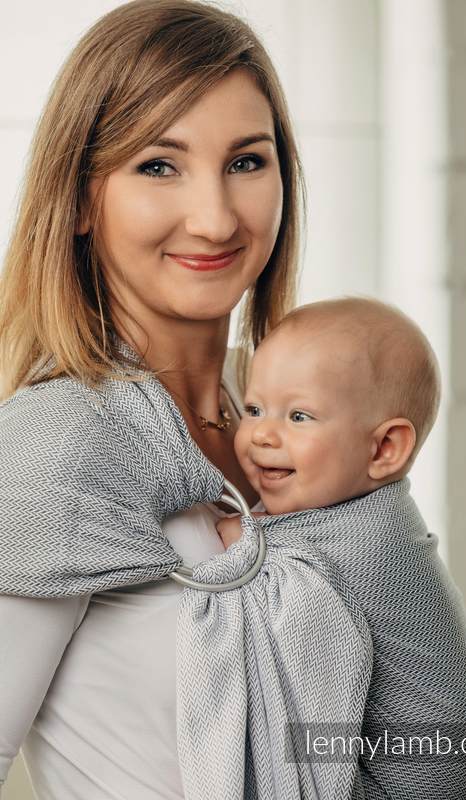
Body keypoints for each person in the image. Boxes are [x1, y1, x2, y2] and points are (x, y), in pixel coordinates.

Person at [0, 1, 305, 797]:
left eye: (246, 161)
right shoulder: (61, 443)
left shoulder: (275, 420)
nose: (213, 219)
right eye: (157, 165)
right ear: (77, 200)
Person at [216, 296, 466, 798]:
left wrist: (238, 533)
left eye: (299, 416)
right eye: (254, 409)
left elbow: (258, 562)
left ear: (383, 449)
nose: (262, 435)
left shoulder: (374, 541)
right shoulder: (358, 506)